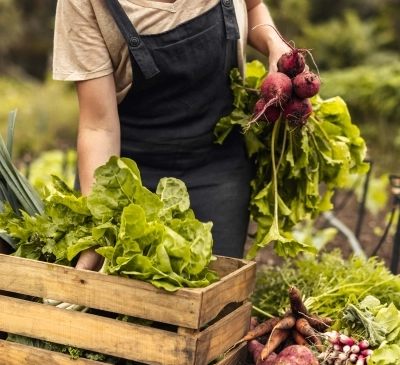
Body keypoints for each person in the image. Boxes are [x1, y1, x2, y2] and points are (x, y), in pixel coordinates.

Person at [52, 0, 290, 271]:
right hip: (129, 180)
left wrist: (274, 42)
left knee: (212, 300)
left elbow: (251, 6)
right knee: (111, 305)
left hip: (218, 168)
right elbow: (99, 127)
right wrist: (99, 223)